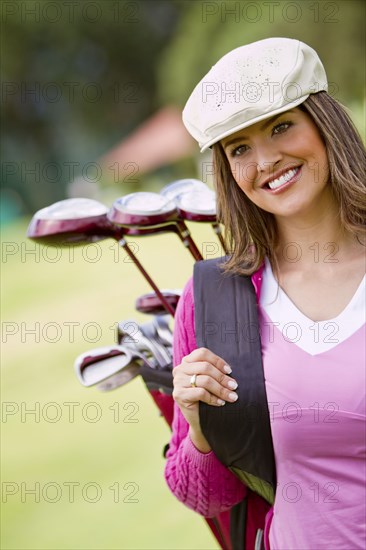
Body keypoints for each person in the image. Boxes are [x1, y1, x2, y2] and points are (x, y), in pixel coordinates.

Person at [164, 37, 366, 550]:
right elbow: (206, 498)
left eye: (281, 127)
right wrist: (200, 426)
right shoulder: (215, 298)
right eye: (240, 148)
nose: (267, 159)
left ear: (324, 125)